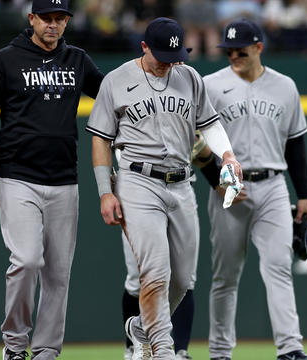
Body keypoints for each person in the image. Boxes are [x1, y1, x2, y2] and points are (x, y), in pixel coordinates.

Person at [86, 17, 242, 360]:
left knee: (184, 280)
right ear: (144, 47)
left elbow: (209, 123)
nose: (169, 63)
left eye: (174, 55)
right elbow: (100, 139)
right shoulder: (117, 80)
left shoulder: (188, 77)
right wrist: (105, 191)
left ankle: (142, 327)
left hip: (181, 181)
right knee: (155, 272)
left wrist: (227, 154)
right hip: (136, 181)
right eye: (161, 56)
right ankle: (163, 350)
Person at [0, 0, 103, 359]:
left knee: (58, 273)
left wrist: (146, 72)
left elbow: (109, 94)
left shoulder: (76, 59)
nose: (54, 25)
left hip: (64, 179)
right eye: (47, 18)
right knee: (27, 260)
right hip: (18, 176)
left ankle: (46, 351)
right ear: (31, 19)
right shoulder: (7, 59)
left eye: (61, 19)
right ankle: (14, 346)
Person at [202, 18, 307, 360]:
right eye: (229, 50)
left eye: (240, 50)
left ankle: (291, 349)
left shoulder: (284, 86)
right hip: (229, 185)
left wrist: (304, 196)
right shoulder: (211, 85)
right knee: (226, 275)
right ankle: (220, 352)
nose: (233, 55)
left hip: (273, 183)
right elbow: (196, 141)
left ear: (258, 48)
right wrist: (217, 178)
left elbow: (296, 146)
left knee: (279, 267)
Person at [119, 134, 220, 360]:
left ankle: (179, 350)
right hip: (136, 189)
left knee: (184, 278)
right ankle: (134, 348)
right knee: (139, 277)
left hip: (180, 185)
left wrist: (217, 178)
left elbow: (198, 145)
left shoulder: (181, 100)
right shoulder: (124, 102)